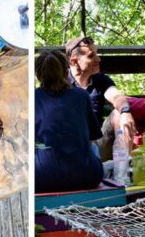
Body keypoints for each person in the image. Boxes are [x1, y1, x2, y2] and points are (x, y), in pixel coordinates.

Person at [36, 49, 104, 193]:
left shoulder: (33, 98)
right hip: (88, 177)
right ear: (67, 72)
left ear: (38, 75)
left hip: (42, 179)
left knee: (37, 146)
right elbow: (92, 139)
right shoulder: (82, 96)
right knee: (93, 147)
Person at [66, 34, 138, 160]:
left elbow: (116, 96)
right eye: (91, 56)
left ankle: (123, 170)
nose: (98, 60)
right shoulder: (61, 82)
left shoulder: (101, 80)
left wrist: (125, 112)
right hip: (71, 147)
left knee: (118, 114)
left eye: (97, 54)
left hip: (97, 142)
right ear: (74, 61)